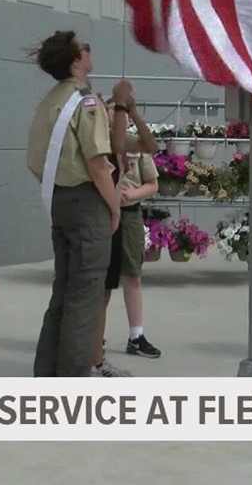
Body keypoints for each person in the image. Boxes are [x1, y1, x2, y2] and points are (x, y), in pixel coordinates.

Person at [25, 30, 132, 377]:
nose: (89, 51)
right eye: (85, 48)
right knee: (85, 298)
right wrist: (114, 208)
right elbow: (98, 163)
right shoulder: (85, 102)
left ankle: (47, 374)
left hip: (58, 199)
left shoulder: (50, 100)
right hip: (87, 203)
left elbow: (34, 159)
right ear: (76, 60)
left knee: (63, 291)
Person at [91, 97, 162, 377]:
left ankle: (136, 335)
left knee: (131, 275)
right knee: (102, 283)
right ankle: (97, 339)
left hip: (129, 214)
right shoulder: (96, 142)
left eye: (122, 113)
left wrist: (133, 194)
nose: (119, 117)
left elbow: (152, 183)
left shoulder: (135, 145)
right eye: (113, 111)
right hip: (102, 216)